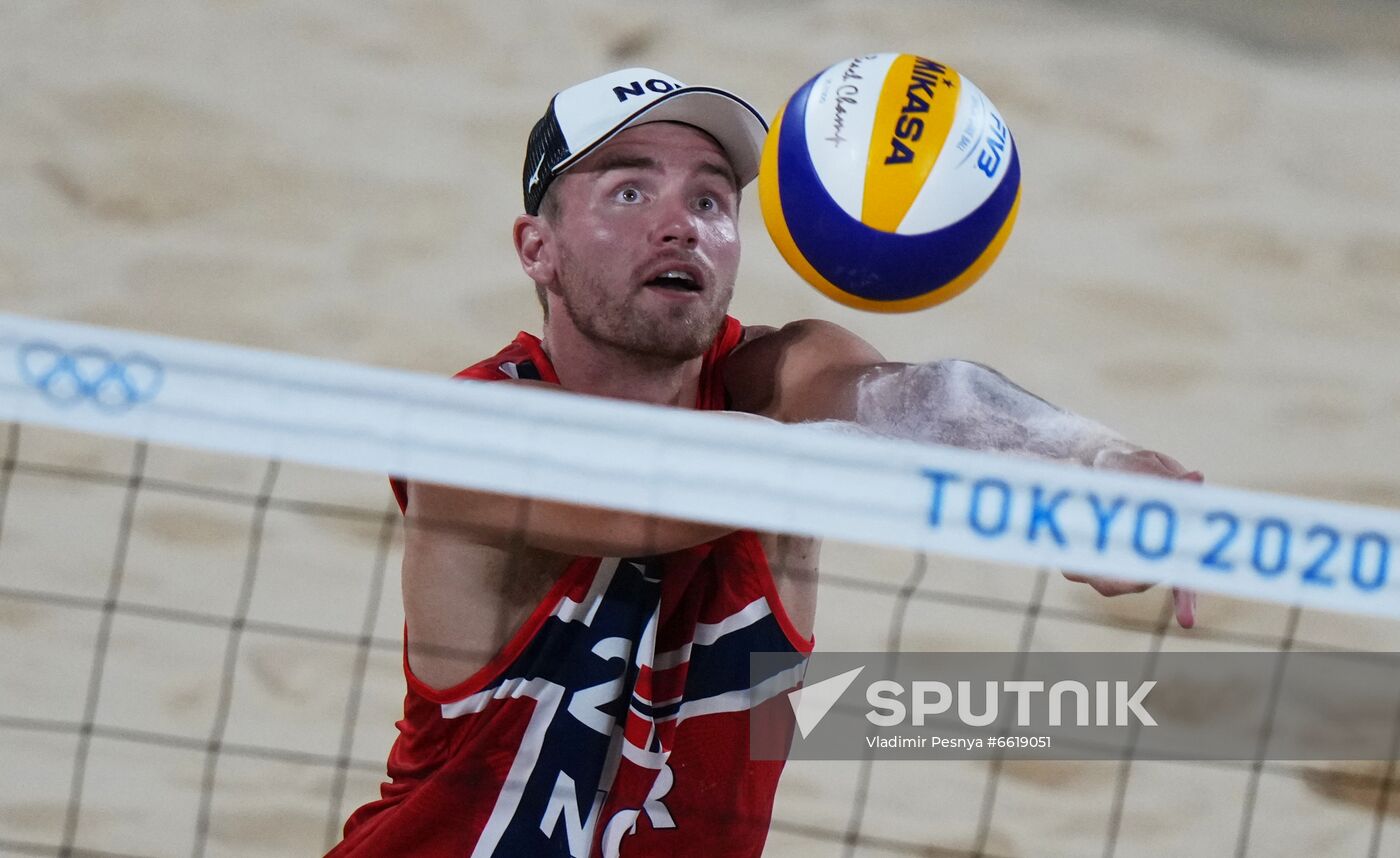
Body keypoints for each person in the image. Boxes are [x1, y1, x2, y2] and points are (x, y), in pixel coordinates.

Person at [327, 67, 1200, 858]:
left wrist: (1090, 458)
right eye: (629, 190)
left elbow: (928, 399)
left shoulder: (783, 374)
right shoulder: (469, 434)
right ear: (536, 249)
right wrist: (1001, 489)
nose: (681, 226)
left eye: (711, 202)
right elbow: (673, 488)